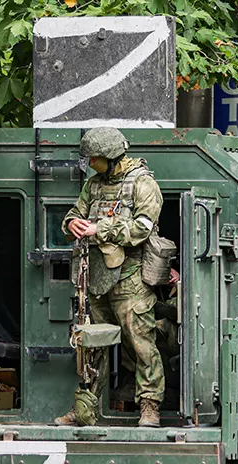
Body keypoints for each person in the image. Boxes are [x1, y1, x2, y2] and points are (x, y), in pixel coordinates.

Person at [55, 127, 166, 427]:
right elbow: (74, 214)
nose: (90, 163)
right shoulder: (93, 186)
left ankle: (149, 407)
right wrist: (72, 224)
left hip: (131, 279)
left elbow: (142, 228)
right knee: (92, 345)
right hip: (97, 278)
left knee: (141, 343)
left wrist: (99, 229)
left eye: (95, 158)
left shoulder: (143, 184)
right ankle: (85, 410)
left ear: (112, 157)